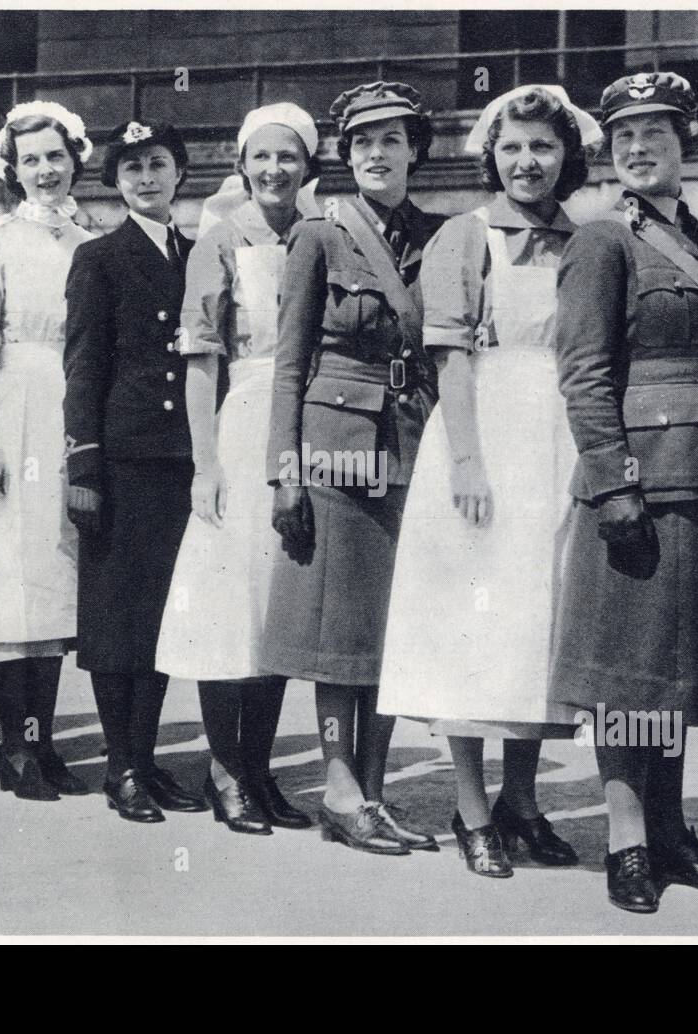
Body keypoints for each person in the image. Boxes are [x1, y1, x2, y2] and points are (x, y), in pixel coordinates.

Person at [378, 86, 597, 877]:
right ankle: (471, 809)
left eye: (541, 147)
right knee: (472, 620)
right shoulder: (465, 237)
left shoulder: (587, 239)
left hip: (560, 440)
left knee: (539, 622)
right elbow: (450, 359)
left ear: (566, 155)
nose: (526, 162)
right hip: (484, 440)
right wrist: (467, 460)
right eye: (511, 149)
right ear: (490, 156)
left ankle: (522, 801)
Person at [550, 73, 698, 911]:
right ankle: (628, 842)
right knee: (627, 672)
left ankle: (669, 830)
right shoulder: (602, 242)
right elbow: (585, 374)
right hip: (640, 483)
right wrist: (614, 485)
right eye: (623, 136)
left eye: (656, 134)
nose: (637, 148)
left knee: (672, 671)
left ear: (688, 143)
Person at [263, 82, 445, 855]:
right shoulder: (318, 235)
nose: (377, 153)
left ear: (414, 152)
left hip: (412, 444)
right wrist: (285, 469)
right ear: (347, 155)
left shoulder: (441, 237)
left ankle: (373, 793)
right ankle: (340, 791)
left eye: (392, 140)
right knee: (339, 625)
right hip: (334, 442)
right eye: (363, 141)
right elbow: (288, 360)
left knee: (390, 627)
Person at [155, 103, 322, 834]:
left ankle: (260, 769)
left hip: (310, 428)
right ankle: (225, 771)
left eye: (288, 157)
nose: (275, 171)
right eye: (262, 157)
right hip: (243, 422)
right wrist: (205, 464)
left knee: (279, 603)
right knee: (230, 606)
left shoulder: (324, 235)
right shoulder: (218, 241)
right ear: (243, 163)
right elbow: (200, 362)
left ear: (307, 166)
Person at [0, 101, 94, 802]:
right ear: (13, 168)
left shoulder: (94, 238)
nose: (44, 170)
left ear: (75, 161)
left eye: (54, 157)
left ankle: (43, 741)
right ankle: (16, 748)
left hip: (75, 415)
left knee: (54, 585)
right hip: (15, 410)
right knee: (12, 588)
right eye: (30, 159)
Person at [64, 119, 208, 823]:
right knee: (115, 616)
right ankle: (120, 765)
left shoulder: (203, 253)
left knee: (159, 619)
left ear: (179, 173)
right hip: (123, 457)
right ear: (116, 184)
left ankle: (146, 760)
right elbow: (84, 366)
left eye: (156, 165)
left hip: (184, 457)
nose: (145, 178)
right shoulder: (100, 256)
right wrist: (82, 463)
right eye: (130, 170)